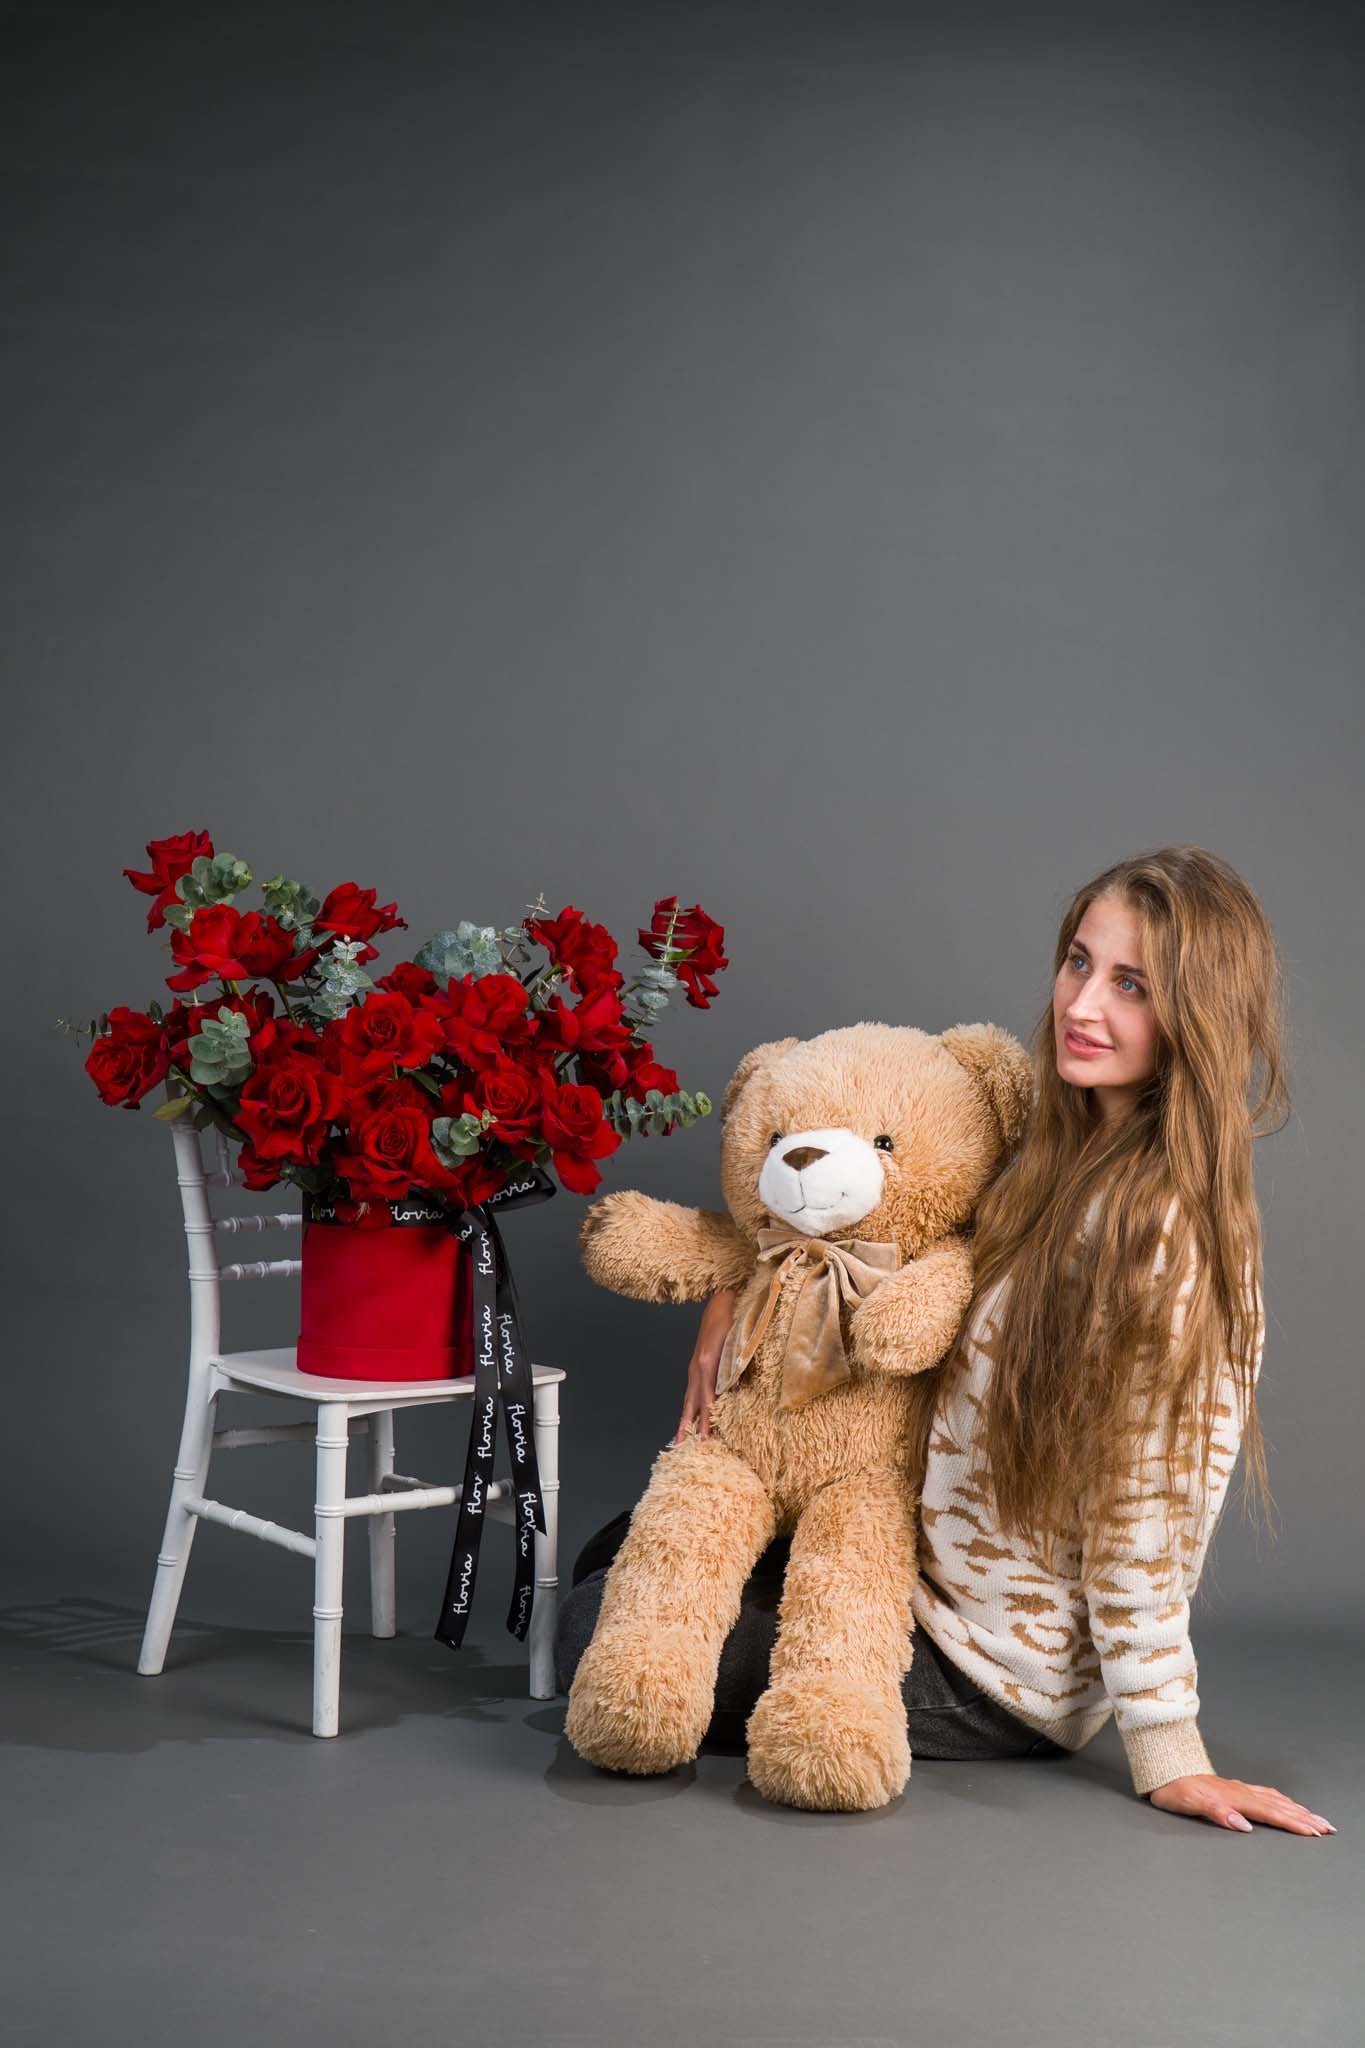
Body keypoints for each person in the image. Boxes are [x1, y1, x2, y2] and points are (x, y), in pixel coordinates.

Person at [559, 847, 1334, 1837]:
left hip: (988, 1670)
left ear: (1197, 1015)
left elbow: (1150, 1512)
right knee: (613, 1546)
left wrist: (1168, 1748)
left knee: (593, 1618)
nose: (1081, 1004)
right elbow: (894, 1241)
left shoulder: (1165, 1242)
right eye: (1078, 962)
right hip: (912, 1570)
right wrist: (733, 1286)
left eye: (1130, 985)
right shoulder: (1059, 1160)